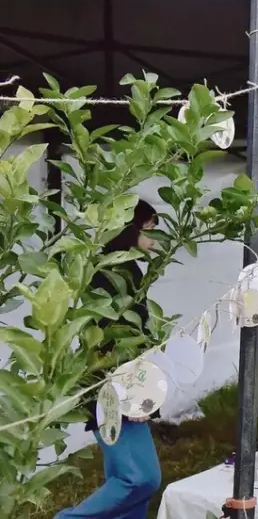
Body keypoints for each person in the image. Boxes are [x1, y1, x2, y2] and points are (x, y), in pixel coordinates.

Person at [57, 200, 162, 519]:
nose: (155, 239)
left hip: (114, 381)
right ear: (130, 228)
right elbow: (110, 335)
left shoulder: (121, 267)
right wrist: (133, 390)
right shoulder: (112, 271)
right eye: (149, 229)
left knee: (127, 479)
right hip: (114, 384)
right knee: (139, 479)